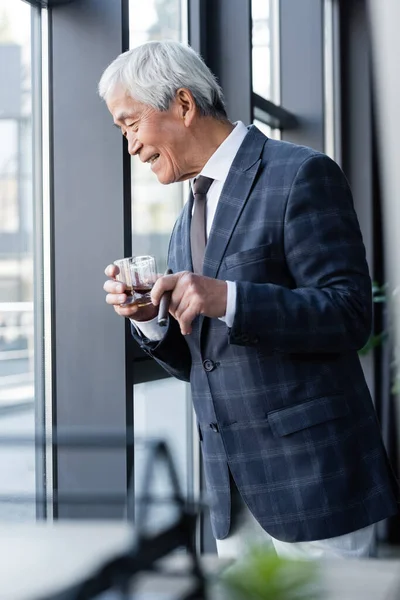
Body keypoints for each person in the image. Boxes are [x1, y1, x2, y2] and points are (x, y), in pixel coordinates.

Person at [100, 40, 398, 559]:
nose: (130, 146)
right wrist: (151, 321)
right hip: (232, 501)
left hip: (316, 486)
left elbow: (350, 314)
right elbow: (205, 364)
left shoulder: (300, 174)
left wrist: (228, 297)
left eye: (130, 124)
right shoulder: (183, 222)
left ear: (184, 105)